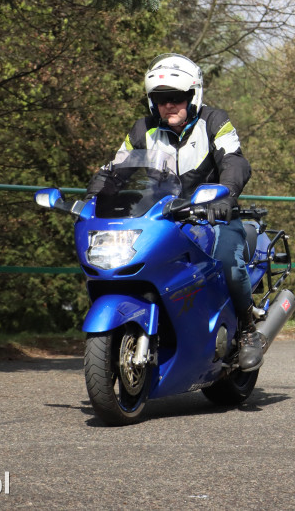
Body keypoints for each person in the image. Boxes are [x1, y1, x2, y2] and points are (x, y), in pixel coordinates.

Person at [85, 53, 264, 371]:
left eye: (176, 97)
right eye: (161, 98)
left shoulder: (214, 121)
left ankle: (248, 329)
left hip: (213, 216)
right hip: (161, 219)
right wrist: (94, 198)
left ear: (193, 95)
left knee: (227, 260)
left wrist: (225, 194)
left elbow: (234, 161)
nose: (169, 104)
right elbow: (116, 167)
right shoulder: (143, 130)